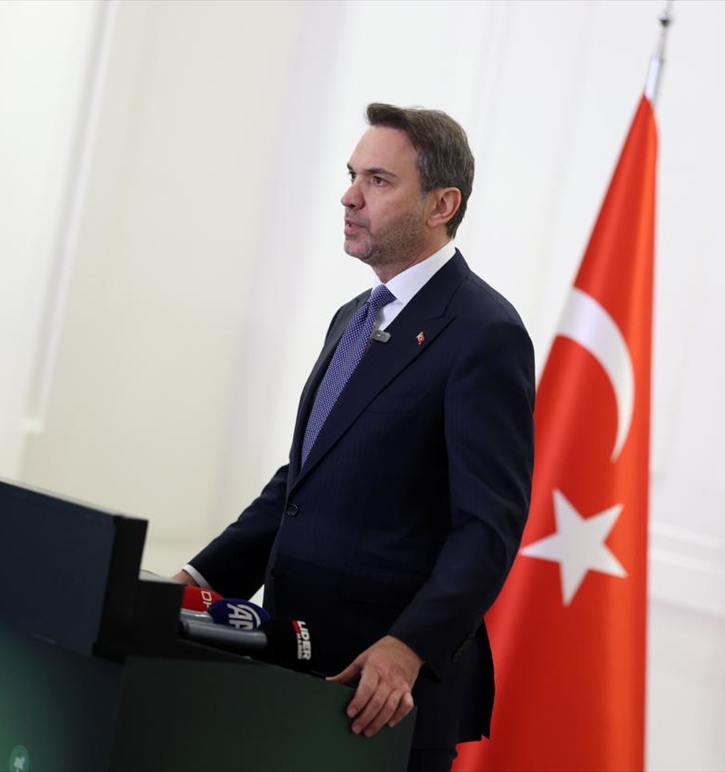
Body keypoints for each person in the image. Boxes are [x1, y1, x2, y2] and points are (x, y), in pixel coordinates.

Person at [172, 103, 535, 772]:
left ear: (441, 205)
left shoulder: (485, 333)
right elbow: (300, 484)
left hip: (382, 696)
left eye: (378, 180)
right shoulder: (352, 317)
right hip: (293, 666)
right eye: (351, 176)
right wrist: (194, 583)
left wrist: (409, 645)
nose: (350, 196)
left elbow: (488, 528)